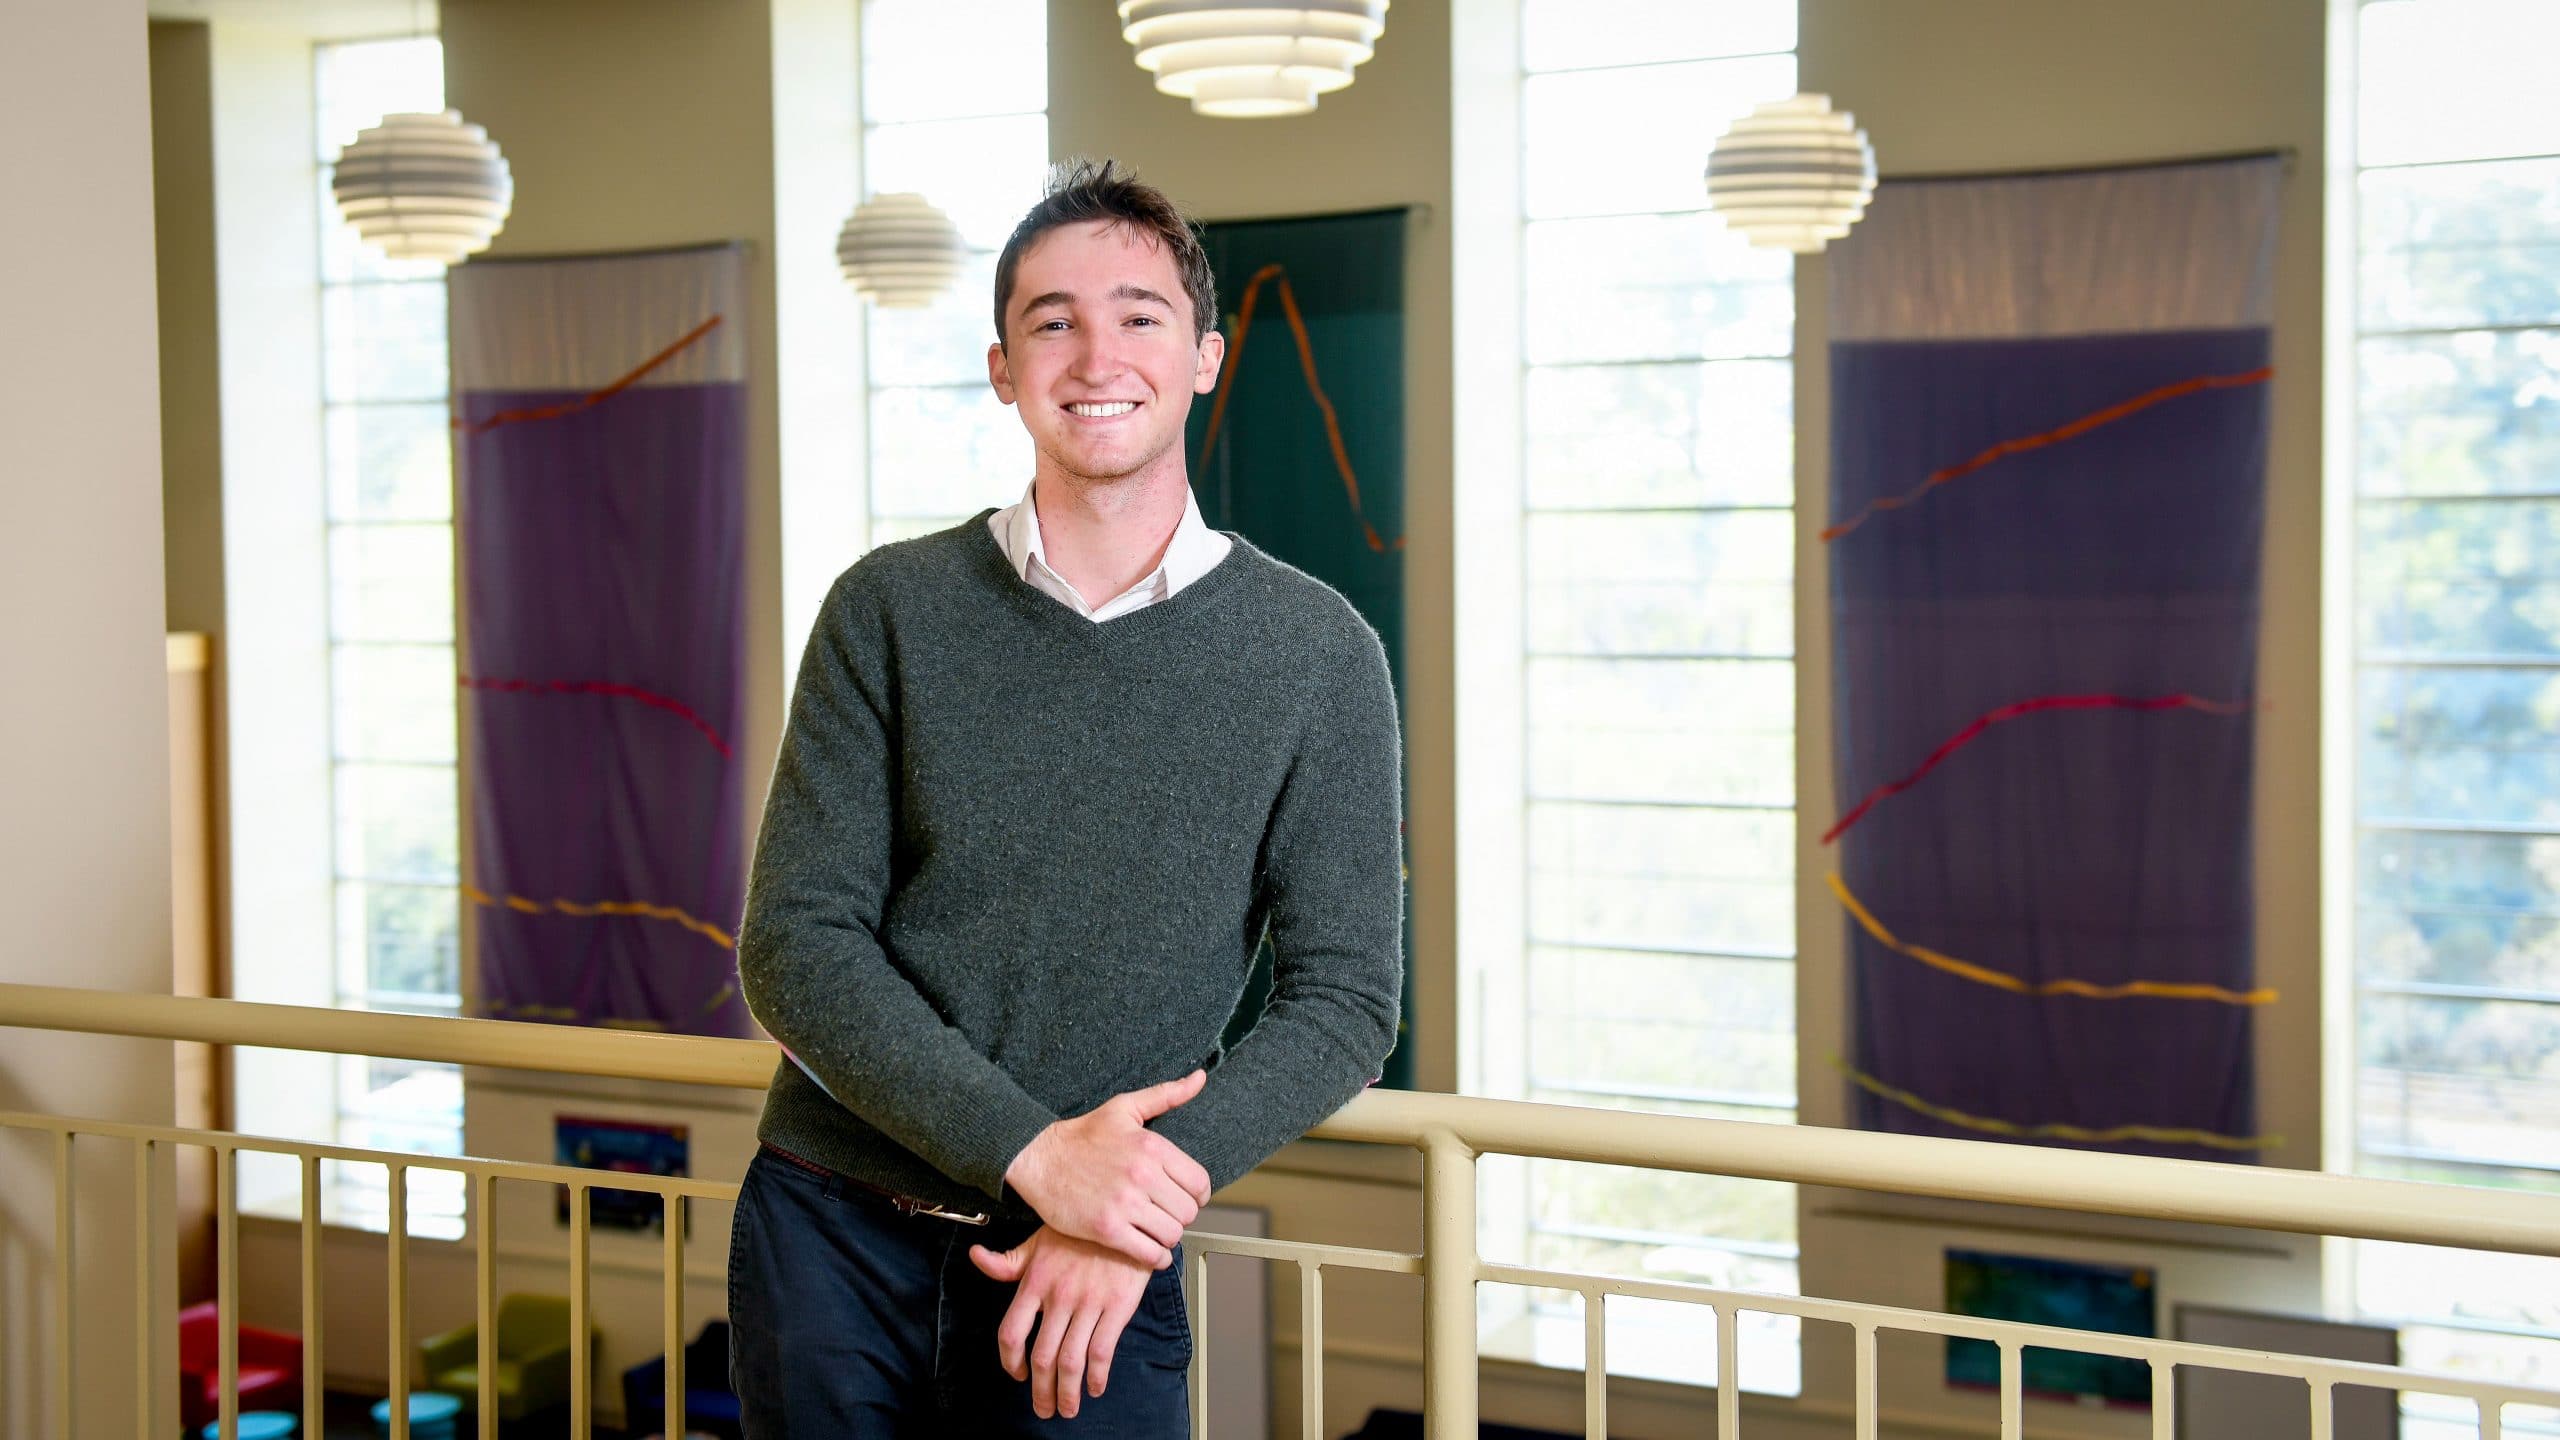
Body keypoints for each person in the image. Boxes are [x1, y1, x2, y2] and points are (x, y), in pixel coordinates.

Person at [727, 157, 1406, 1436]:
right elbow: (794, 947)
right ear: (1003, 366)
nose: (1097, 354)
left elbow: (1346, 1003)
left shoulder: (1318, 655)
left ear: (1205, 356)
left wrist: (1129, 1206)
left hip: (1097, 1268)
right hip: (826, 1236)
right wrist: (1042, 1162)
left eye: (1139, 315)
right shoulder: (885, 610)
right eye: (1053, 320)